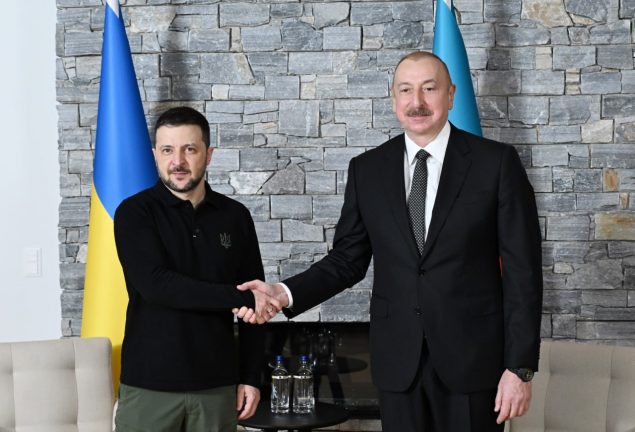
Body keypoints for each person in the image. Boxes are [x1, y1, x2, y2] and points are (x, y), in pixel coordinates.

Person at [235, 51, 543, 431]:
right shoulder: (367, 170)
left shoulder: (495, 164)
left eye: (429, 88)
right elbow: (347, 260)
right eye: (406, 90)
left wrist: (519, 368)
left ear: (451, 94)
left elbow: (523, 274)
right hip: (398, 365)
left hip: (474, 363)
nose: (417, 102)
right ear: (393, 98)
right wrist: (283, 294)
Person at [113, 106, 278, 432]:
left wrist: (251, 377)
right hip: (149, 385)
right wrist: (238, 297)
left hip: (216, 386)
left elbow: (255, 302)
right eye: (167, 150)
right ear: (155, 155)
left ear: (208, 154)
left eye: (189, 149)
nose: (178, 161)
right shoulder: (134, 213)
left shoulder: (235, 216)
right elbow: (157, 286)